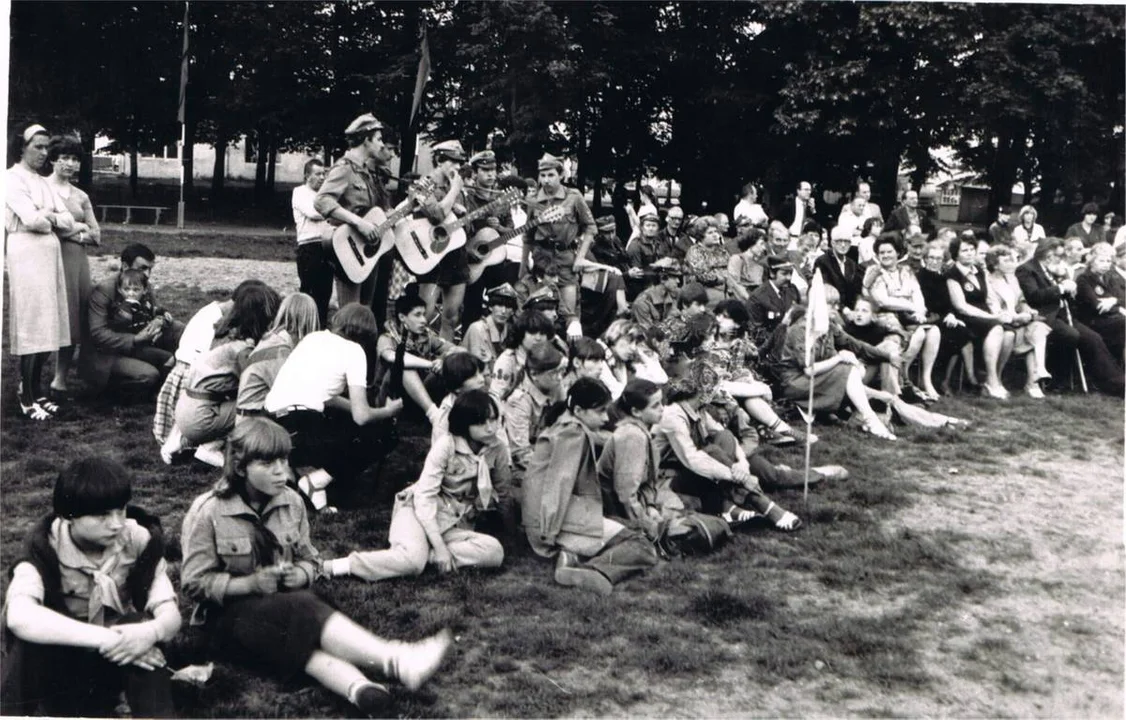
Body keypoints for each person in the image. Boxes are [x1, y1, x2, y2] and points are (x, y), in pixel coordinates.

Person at [180, 418, 451, 713]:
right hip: (225, 623)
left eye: (284, 460)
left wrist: (302, 573)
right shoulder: (208, 511)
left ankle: (360, 689)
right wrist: (249, 584)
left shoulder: (292, 502)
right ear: (241, 467)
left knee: (300, 626)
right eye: (268, 464)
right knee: (304, 610)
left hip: (278, 612)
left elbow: (311, 560)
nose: (281, 470)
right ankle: (395, 659)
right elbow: (193, 582)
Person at [2, 457, 180, 717]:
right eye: (102, 515)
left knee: (139, 626)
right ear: (68, 515)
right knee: (27, 644)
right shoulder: (43, 549)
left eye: (121, 510)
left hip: (118, 659)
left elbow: (170, 612)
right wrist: (109, 639)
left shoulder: (139, 539)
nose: (117, 523)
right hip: (63, 655)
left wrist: (149, 633)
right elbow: (19, 617)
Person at [322, 390, 511, 581]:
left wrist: (508, 528)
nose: (490, 428)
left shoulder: (498, 449)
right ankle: (335, 566)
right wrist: (439, 547)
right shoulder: (446, 446)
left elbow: (503, 492)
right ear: (464, 424)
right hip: (417, 511)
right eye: (481, 422)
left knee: (494, 552)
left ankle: (424, 556)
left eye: (494, 420)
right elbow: (424, 497)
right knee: (412, 562)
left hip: (453, 522)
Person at [522, 378, 658, 596]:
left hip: (551, 518)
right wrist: (548, 537)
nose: (606, 418)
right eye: (601, 411)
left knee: (630, 530)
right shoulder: (572, 433)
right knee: (642, 545)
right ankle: (593, 570)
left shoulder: (567, 424)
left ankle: (571, 556)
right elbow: (559, 484)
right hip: (551, 523)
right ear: (579, 410)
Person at [264, 304, 404, 509]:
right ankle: (316, 481)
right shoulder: (355, 351)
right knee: (385, 434)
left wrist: (362, 410)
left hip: (271, 422)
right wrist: (387, 411)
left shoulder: (313, 338)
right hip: (301, 426)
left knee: (339, 420)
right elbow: (362, 417)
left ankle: (300, 473)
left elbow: (326, 397)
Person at [653, 360, 806, 529]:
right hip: (668, 476)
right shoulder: (673, 415)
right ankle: (764, 505)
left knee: (723, 437)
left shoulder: (699, 410)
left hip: (692, 469)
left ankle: (728, 507)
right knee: (711, 451)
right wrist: (739, 476)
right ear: (703, 391)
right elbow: (692, 459)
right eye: (714, 388)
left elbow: (728, 437)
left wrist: (741, 464)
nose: (717, 392)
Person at [155, 280, 268, 461]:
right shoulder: (239, 347)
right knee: (258, 401)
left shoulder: (222, 331)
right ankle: (210, 447)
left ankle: (181, 439)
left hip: (186, 402)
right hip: (199, 409)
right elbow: (251, 383)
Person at [6, 124, 74, 420]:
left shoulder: (43, 182)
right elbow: (32, 220)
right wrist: (48, 217)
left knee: (49, 323)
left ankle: (36, 388)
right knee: (32, 323)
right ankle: (26, 396)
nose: (44, 153)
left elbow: (69, 219)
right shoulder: (10, 178)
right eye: (38, 146)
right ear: (21, 146)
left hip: (49, 256)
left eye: (47, 147)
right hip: (26, 253)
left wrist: (47, 217)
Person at [773, 292, 898, 440]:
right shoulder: (800, 330)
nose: (836, 308)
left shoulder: (828, 326)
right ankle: (871, 420)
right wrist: (839, 358)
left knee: (854, 369)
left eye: (837, 304)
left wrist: (889, 356)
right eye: (831, 304)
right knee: (848, 369)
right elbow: (809, 370)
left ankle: (867, 418)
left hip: (816, 379)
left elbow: (856, 345)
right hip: (795, 383)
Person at [1017, 238, 1124, 396]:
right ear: (1048, 254)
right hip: (1043, 316)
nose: (1060, 259)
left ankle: (1115, 383)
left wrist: (1068, 290)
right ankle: (1058, 382)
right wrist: (1061, 287)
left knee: (1093, 338)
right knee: (1069, 334)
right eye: (1058, 255)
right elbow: (1034, 296)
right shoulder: (1027, 269)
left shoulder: (1052, 268)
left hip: (1064, 314)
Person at [82, 243, 184, 401]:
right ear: (124, 266)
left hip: (139, 344)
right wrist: (135, 339)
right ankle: (105, 391)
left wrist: (158, 320)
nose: (148, 274)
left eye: (150, 268)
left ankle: (189, 379)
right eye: (143, 268)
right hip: (108, 354)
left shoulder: (142, 282)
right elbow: (98, 334)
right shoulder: (104, 290)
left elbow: (154, 309)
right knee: (149, 375)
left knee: (179, 329)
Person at [314, 113, 396, 309]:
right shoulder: (344, 168)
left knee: (364, 311)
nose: (382, 145)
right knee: (350, 312)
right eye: (377, 139)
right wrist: (358, 222)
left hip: (367, 248)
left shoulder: (366, 172)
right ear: (365, 140)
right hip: (348, 248)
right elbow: (322, 200)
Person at [45, 135, 100, 400]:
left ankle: (60, 378)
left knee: (74, 318)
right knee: (47, 318)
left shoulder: (81, 195)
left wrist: (71, 232)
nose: (70, 164)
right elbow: (44, 225)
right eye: (65, 157)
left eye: (75, 159)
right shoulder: (41, 187)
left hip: (77, 261)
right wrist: (78, 229)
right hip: (49, 258)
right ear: (53, 159)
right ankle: (28, 379)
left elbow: (97, 235)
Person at [597, 379, 685, 540]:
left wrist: (651, 507)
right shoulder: (631, 436)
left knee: (685, 510)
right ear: (636, 412)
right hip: (611, 507)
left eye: (661, 403)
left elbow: (648, 481)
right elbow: (625, 494)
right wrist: (645, 524)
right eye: (655, 406)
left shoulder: (641, 431)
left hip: (633, 501)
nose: (662, 409)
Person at [524, 153, 597, 338]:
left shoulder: (573, 197)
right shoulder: (532, 200)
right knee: (540, 311)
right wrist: (524, 263)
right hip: (541, 260)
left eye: (551, 175)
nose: (546, 180)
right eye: (543, 175)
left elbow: (591, 227)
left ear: (561, 175)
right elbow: (528, 235)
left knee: (569, 314)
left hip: (565, 260)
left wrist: (580, 257)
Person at [863, 236, 941, 401]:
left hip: (910, 316)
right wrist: (911, 306)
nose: (885, 255)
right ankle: (903, 379)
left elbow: (916, 293)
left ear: (897, 252)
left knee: (934, 332)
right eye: (881, 252)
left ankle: (925, 379)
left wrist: (920, 310)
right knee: (917, 334)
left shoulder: (906, 270)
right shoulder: (874, 272)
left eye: (889, 251)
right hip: (885, 316)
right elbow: (883, 300)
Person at [376, 292, 462, 423]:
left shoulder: (425, 336)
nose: (424, 320)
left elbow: (459, 349)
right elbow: (393, 357)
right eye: (417, 315)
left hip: (416, 397)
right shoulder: (387, 338)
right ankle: (435, 416)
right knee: (404, 366)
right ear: (402, 317)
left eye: (423, 314)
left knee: (455, 361)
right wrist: (431, 364)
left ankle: (459, 411)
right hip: (389, 400)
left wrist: (443, 360)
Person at [416, 140, 471, 341]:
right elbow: (436, 215)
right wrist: (455, 191)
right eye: (453, 162)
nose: (458, 167)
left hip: (455, 254)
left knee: (452, 316)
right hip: (432, 256)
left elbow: (464, 225)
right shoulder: (423, 185)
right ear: (439, 160)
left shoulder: (457, 187)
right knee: (424, 315)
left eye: (460, 163)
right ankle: (415, 355)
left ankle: (444, 362)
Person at [236, 292, 320, 421]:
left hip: (254, 413)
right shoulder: (280, 352)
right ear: (309, 321)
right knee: (312, 411)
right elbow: (293, 395)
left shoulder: (273, 339)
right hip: (256, 421)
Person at [944, 235, 1010, 398]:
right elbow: (961, 306)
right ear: (956, 254)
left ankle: (994, 377)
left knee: (1009, 334)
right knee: (996, 328)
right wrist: (991, 317)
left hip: (985, 315)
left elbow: (988, 297)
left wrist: (997, 312)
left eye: (972, 249)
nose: (969, 253)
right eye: (964, 250)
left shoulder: (979, 271)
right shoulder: (953, 274)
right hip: (966, 317)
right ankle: (992, 382)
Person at [984, 246, 1053, 398]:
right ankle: (996, 378)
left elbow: (1021, 301)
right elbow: (995, 310)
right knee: (1014, 335)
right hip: (1002, 323)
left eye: (1012, 259)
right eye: (1007, 261)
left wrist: (1027, 310)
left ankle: (1033, 380)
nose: (1012, 263)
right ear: (995, 265)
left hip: (1018, 322)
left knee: (1038, 327)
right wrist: (1017, 317)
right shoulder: (987, 282)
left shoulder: (1012, 279)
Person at [461, 150, 516, 326]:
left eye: (493, 169)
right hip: (472, 258)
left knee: (502, 301)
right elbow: (460, 230)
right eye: (485, 170)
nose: (491, 174)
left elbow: (510, 231)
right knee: (472, 306)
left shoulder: (502, 198)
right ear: (475, 173)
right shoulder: (467, 198)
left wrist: (499, 228)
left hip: (495, 260)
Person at [504, 342, 566, 473]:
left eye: (561, 371)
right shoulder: (519, 401)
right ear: (534, 374)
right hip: (524, 469)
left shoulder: (555, 386)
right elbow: (521, 454)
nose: (560, 377)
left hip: (549, 453)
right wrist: (558, 470)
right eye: (553, 373)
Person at [292, 158, 333, 326]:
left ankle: (321, 329)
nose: (322, 177)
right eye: (317, 173)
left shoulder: (325, 195)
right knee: (309, 295)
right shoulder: (300, 192)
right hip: (309, 248)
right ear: (307, 176)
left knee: (325, 294)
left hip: (327, 247)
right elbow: (313, 212)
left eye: (324, 173)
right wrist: (334, 211)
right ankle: (304, 329)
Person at [1074, 243, 1126, 363]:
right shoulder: (1083, 279)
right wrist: (1118, 308)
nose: (1106, 265)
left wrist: (1113, 301)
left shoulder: (1109, 277)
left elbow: (1122, 298)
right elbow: (1097, 306)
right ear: (1092, 261)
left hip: (1112, 318)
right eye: (1101, 261)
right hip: (1093, 321)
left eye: (1108, 261)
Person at [489, 308, 555, 401]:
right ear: (521, 334)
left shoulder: (547, 358)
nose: (538, 338)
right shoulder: (507, 361)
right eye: (532, 333)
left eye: (542, 333)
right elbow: (496, 396)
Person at [461, 282, 517, 374]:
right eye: (499, 305)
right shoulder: (478, 328)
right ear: (490, 307)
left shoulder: (509, 329)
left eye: (508, 307)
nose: (503, 311)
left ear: (512, 312)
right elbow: (481, 369)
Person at [747, 257, 802, 350]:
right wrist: (784, 339)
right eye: (784, 274)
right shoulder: (758, 297)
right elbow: (756, 332)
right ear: (772, 274)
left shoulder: (792, 290)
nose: (789, 277)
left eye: (790, 273)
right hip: (772, 347)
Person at [815, 227, 864, 312]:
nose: (843, 245)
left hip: (851, 309)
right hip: (831, 308)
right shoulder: (822, 261)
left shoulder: (852, 264)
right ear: (832, 243)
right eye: (839, 241)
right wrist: (845, 310)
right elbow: (826, 291)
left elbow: (857, 290)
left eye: (846, 241)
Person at [683, 216, 730, 304]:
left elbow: (731, 270)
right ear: (701, 236)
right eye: (710, 232)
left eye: (716, 231)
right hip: (704, 297)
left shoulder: (722, 251)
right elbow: (704, 276)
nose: (716, 235)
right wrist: (723, 275)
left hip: (725, 294)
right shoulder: (695, 251)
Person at [632, 258, 682, 328]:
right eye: (674, 277)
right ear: (662, 278)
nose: (678, 281)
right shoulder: (642, 303)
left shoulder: (674, 293)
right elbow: (649, 333)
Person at [726, 227, 769, 302]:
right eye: (761, 244)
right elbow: (734, 284)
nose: (764, 248)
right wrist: (750, 301)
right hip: (741, 301)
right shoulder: (737, 259)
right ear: (751, 243)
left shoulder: (760, 264)